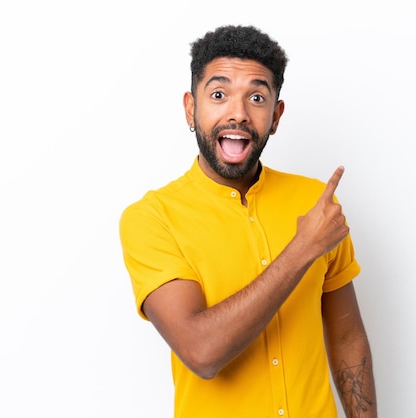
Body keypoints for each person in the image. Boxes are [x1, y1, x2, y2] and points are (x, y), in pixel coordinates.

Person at [119, 25, 377, 418]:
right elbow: (201, 352)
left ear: (275, 115)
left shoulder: (315, 203)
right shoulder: (152, 219)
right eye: (219, 94)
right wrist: (301, 249)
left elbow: (347, 337)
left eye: (256, 97)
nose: (238, 113)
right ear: (191, 108)